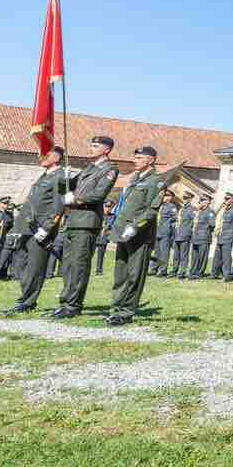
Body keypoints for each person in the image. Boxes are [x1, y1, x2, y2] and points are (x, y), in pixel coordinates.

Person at [52, 134, 119, 318]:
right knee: (68, 264)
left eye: (96, 146)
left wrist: (75, 199)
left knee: (79, 265)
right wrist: (63, 177)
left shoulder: (109, 169)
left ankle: (74, 305)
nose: (91, 148)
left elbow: (98, 195)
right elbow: (67, 187)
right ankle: (66, 301)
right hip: (73, 220)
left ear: (106, 150)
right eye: (91, 145)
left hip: (87, 221)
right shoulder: (88, 168)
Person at [6, 147, 68, 314]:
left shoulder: (61, 176)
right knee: (23, 264)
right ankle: (25, 298)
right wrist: (17, 227)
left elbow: (59, 205)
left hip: (40, 229)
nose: (41, 157)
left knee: (35, 267)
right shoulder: (45, 175)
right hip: (27, 227)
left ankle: (27, 302)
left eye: (46, 155)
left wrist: (47, 228)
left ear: (56, 158)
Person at [107, 147, 164, 325]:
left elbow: (151, 210)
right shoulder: (135, 179)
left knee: (134, 275)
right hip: (123, 233)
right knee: (120, 274)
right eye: (135, 157)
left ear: (151, 160)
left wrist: (135, 227)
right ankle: (115, 309)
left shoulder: (156, 182)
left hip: (139, 235)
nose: (135, 160)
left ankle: (126, 312)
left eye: (139, 158)